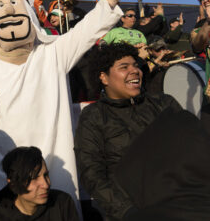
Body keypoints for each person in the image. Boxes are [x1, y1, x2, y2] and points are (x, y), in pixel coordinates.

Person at [0, 0, 126, 220]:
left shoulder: (52, 53)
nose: (10, 8)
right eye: (0, 4)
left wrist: (108, 2)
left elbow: (85, 31)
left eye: (15, 1)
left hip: (52, 170)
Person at [74, 43, 182, 221]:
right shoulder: (94, 116)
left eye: (136, 65)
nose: (134, 71)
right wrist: (127, 212)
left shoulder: (164, 103)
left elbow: (191, 148)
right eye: (124, 67)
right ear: (104, 78)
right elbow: (91, 173)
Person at [0, 146, 79, 221]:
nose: (46, 185)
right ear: (13, 184)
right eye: (34, 178)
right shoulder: (1, 218)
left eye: (46, 175)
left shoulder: (62, 203)